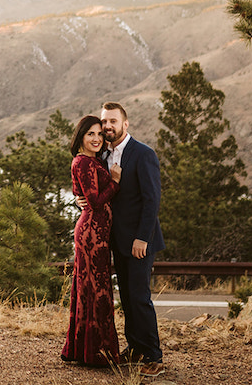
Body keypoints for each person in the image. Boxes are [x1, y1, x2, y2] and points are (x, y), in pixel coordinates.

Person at [100, 101, 165, 377]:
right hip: (118, 241)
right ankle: (135, 348)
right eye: (104, 122)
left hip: (140, 241)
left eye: (113, 121)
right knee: (126, 297)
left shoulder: (143, 154)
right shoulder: (103, 156)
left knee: (139, 298)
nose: (107, 126)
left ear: (125, 124)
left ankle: (154, 356)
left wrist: (142, 239)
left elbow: (152, 200)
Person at [61, 114, 122, 367]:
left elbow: (87, 195)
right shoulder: (83, 162)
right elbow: (96, 201)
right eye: (90, 134)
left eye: (99, 134)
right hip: (91, 233)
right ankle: (95, 352)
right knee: (96, 290)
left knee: (92, 289)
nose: (96, 138)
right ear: (81, 138)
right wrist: (115, 181)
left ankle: (88, 350)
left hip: (97, 232)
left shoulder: (92, 161)